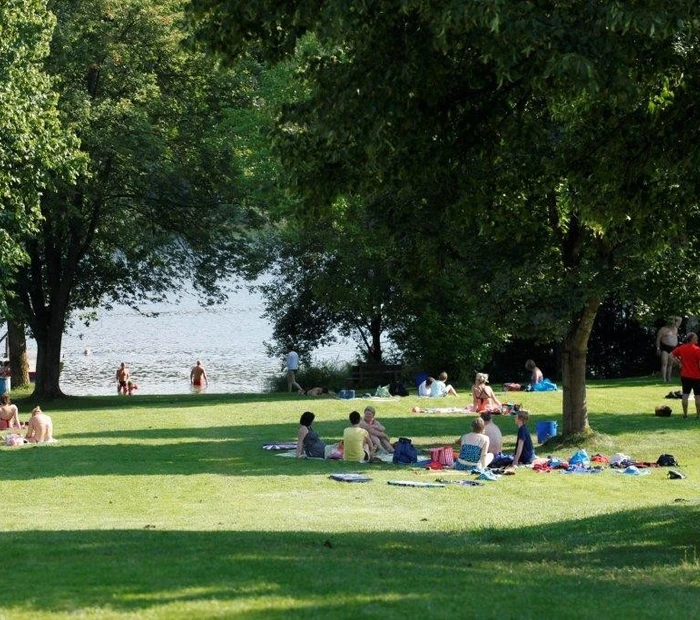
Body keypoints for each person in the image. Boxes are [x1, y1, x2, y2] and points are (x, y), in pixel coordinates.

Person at [671, 332, 700, 418]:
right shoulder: (697, 350)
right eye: (696, 338)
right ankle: (698, 415)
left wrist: (679, 363)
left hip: (685, 375)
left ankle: (685, 414)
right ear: (691, 339)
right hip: (697, 376)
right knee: (698, 396)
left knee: (685, 395)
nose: (697, 339)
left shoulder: (681, 348)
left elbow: (671, 356)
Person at [657, 316, 683, 382]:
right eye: (670, 320)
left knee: (670, 364)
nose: (671, 322)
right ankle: (664, 379)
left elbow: (680, 318)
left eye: (673, 320)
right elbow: (658, 339)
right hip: (665, 347)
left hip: (673, 348)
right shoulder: (663, 329)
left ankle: (669, 378)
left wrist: (674, 317)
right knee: (664, 363)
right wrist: (658, 348)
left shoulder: (675, 327)